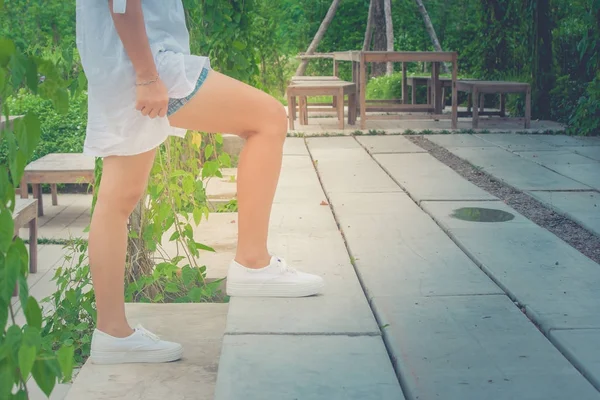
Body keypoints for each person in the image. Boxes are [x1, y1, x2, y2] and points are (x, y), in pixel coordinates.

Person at [76, 0, 324, 365]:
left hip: (123, 62)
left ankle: (112, 332)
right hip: (148, 64)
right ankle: (253, 263)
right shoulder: (146, 68)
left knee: (119, 197)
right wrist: (146, 74)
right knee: (268, 118)